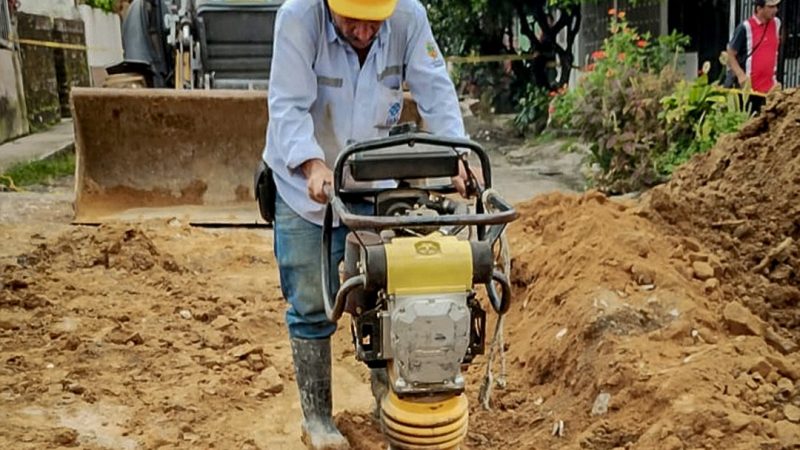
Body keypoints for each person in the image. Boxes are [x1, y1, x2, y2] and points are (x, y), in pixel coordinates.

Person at [260, 0, 467, 447]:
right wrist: (313, 164)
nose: (362, 31)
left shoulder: (408, 17)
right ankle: (317, 417)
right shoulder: (299, 18)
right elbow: (288, 106)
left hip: (374, 180)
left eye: (373, 21)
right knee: (312, 301)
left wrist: (460, 154)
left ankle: (387, 400)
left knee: (383, 288)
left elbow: (435, 88)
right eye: (352, 19)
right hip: (304, 187)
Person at [726, 0, 782, 96]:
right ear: (759, 8)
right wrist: (740, 75)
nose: (775, 10)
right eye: (771, 7)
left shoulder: (776, 23)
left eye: (776, 6)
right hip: (749, 88)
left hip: (770, 88)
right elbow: (730, 53)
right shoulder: (745, 28)